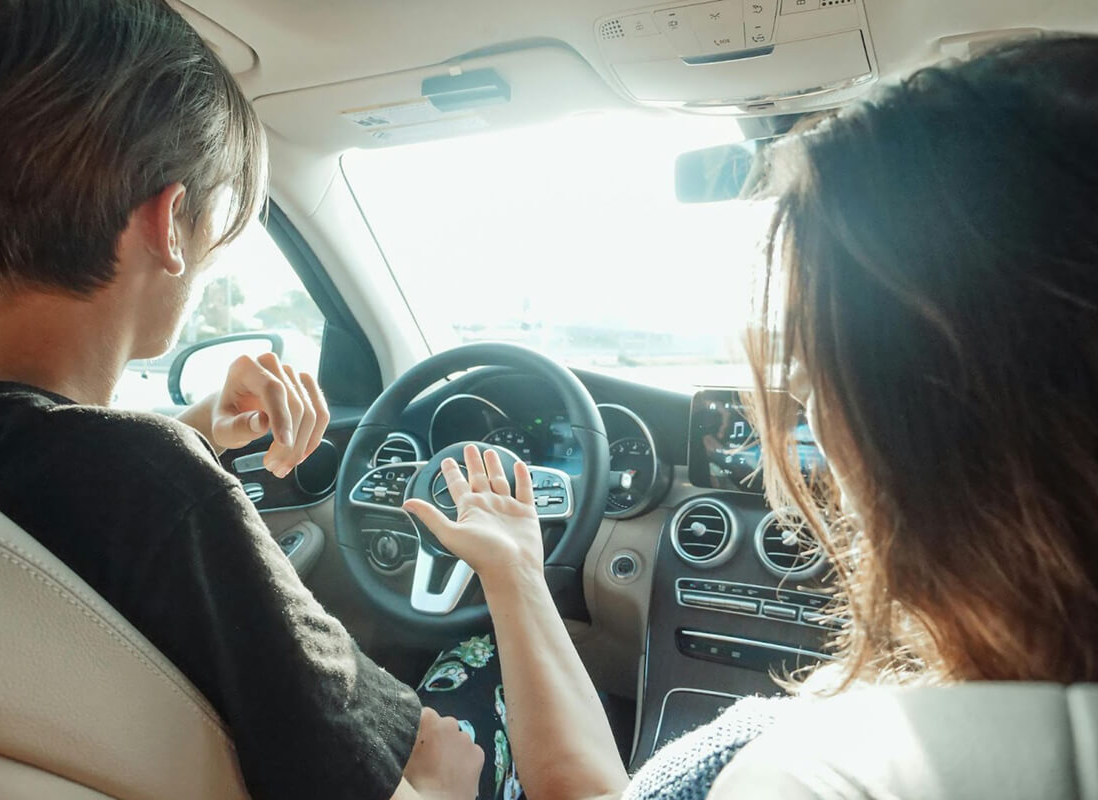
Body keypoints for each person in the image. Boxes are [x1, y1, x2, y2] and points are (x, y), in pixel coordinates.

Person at [404, 33, 1098, 799]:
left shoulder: (792, 769)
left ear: (911, 425)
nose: (811, 427)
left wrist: (509, 584)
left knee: (457, 676)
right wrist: (516, 569)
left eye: (811, 382)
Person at [0, 0, 484, 797]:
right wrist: (446, 779)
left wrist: (196, 425)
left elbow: (22, 464)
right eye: (212, 227)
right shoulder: (166, 493)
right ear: (170, 223)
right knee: (473, 689)